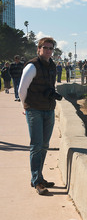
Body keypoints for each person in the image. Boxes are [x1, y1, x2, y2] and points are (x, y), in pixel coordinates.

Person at [19, 37, 61, 195]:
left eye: (51, 48)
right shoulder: (32, 66)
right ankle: (37, 181)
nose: (48, 51)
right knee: (36, 145)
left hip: (49, 109)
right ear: (39, 49)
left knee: (44, 145)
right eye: (46, 48)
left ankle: (38, 177)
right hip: (34, 109)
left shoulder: (52, 66)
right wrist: (25, 105)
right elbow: (22, 89)